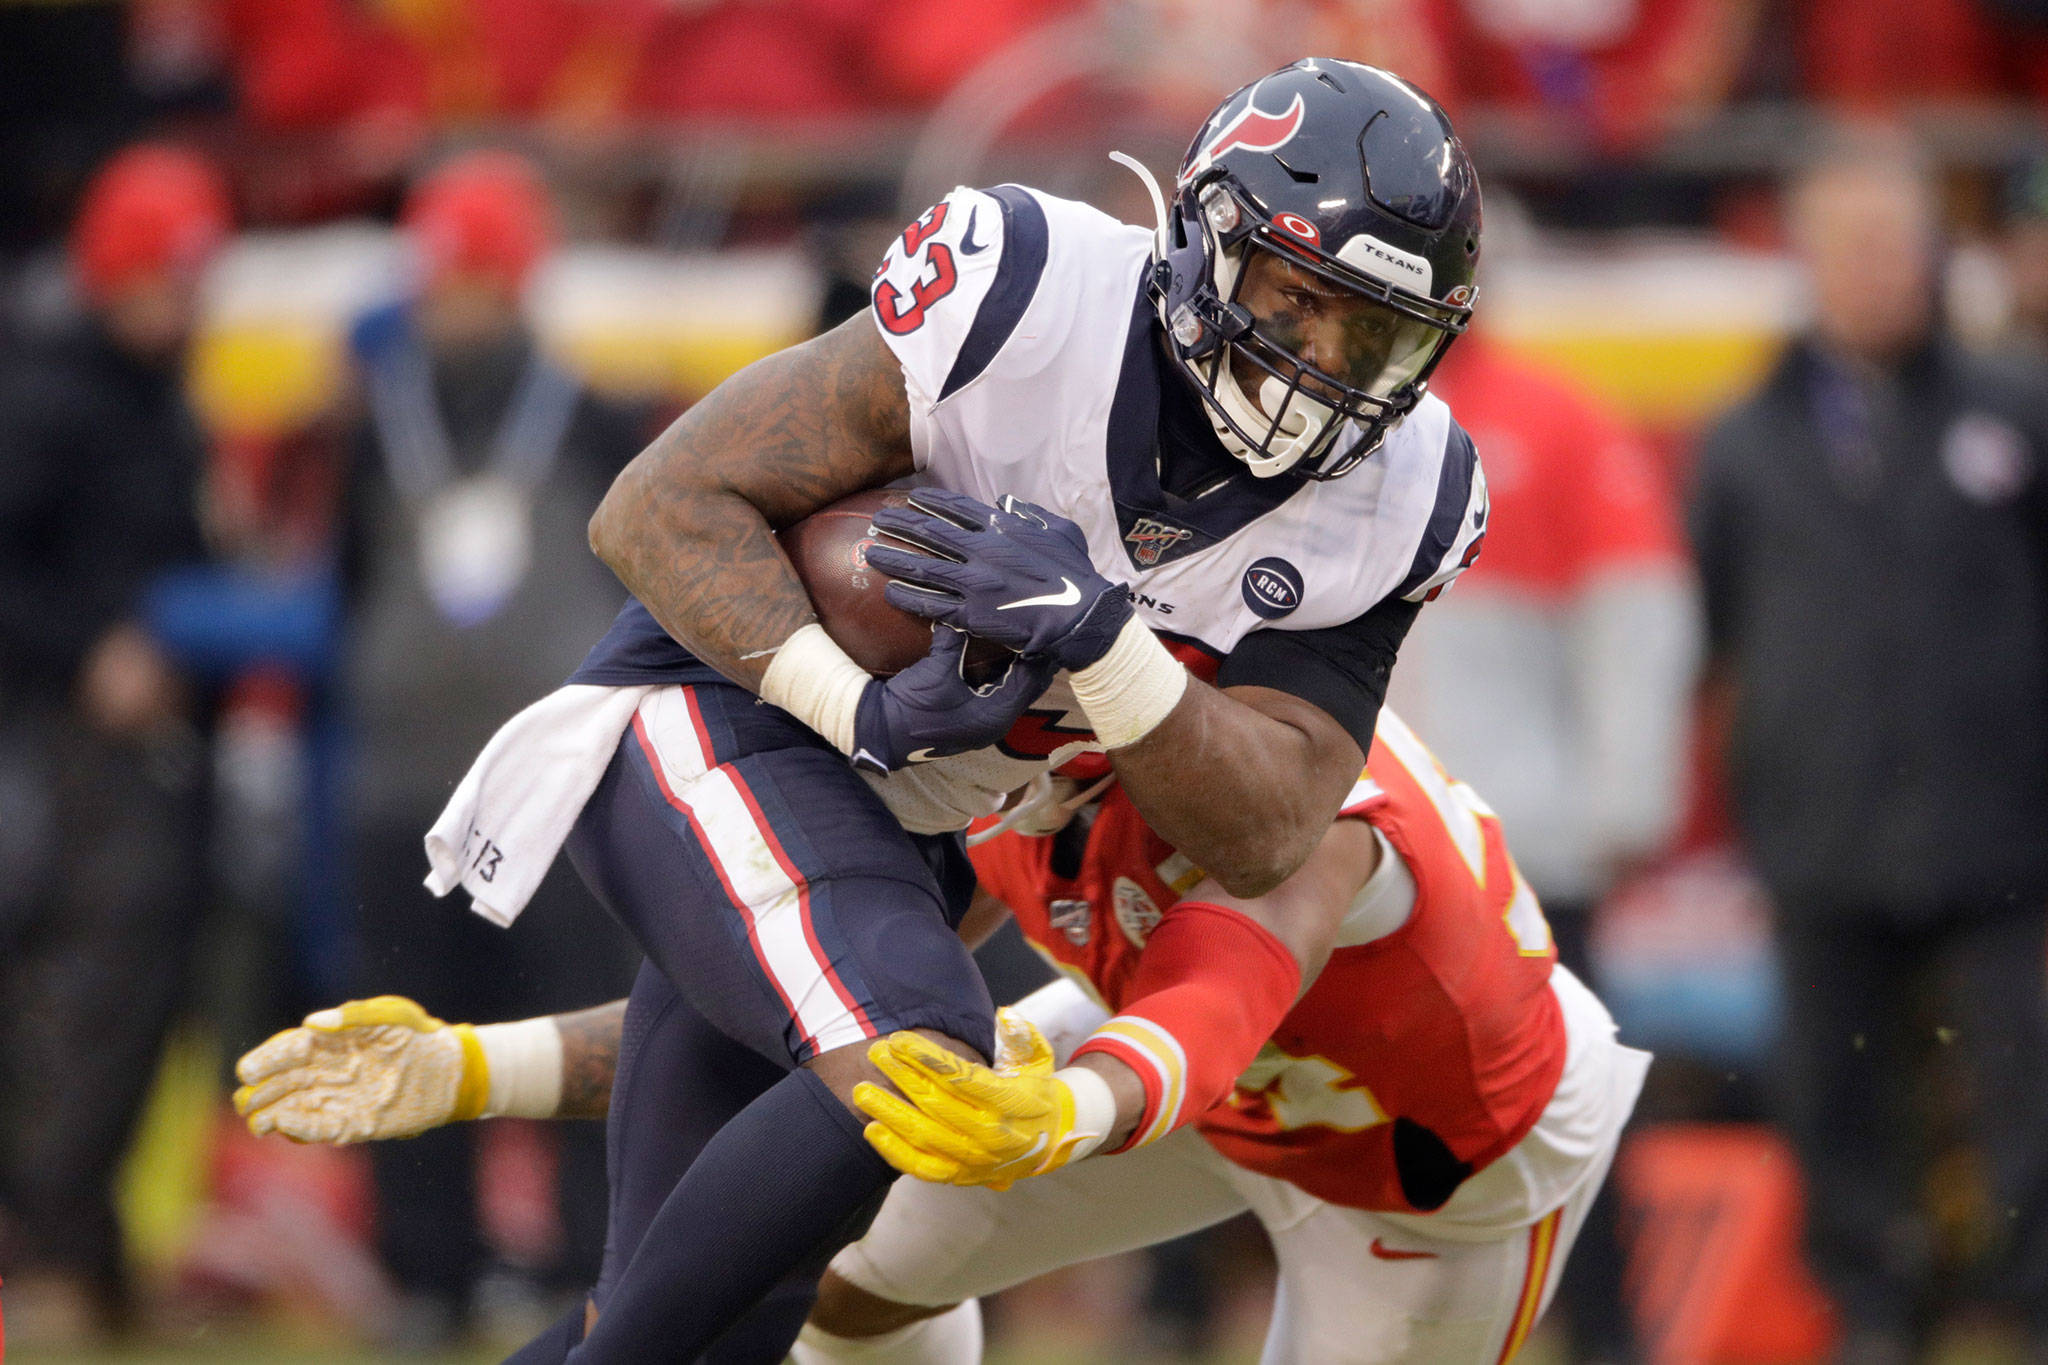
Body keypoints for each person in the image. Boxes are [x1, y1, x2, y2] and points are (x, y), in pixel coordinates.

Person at [422, 59, 1489, 1360]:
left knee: (735, 1318)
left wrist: (1102, 637)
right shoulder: (1033, 290)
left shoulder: (1407, 496)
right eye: (1299, 299)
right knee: (916, 1057)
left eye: (1371, 335)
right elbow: (655, 505)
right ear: (1211, 242)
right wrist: (856, 705)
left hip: (907, 842)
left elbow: (1271, 827)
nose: (1325, 363)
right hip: (720, 720)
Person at [239, 709, 1648, 1363]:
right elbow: (817, 1017)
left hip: (1435, 1166)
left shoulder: (1300, 809)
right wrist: (476, 1065)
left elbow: (1217, 1009)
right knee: (847, 1284)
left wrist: (1068, 1113)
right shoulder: (1021, 775)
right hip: (1161, 1057)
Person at [1689, 134, 2048, 1363]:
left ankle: (2012, 1305)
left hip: (1997, 834)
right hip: (1819, 835)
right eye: (1844, 246)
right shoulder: (1742, 442)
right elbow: (1720, 630)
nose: (1871, 272)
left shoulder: (2013, 410)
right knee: (1835, 1090)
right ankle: (1872, 1306)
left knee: (2017, 1086)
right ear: (1801, 259)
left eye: (1892, 244)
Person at [338, 150, 643, 1346]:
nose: (450, 307)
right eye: (439, 284)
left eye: (471, 281)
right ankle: (425, 1273)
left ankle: (589, 1265)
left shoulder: (595, 413)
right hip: (400, 784)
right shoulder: (370, 417)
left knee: (578, 1028)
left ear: (515, 286)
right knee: (410, 1019)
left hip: (561, 791)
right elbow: (346, 582)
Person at [1392, 332, 1701, 1364]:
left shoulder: (1551, 415)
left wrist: (1622, 804)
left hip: (1514, 839)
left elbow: (1635, 611)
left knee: (1566, 1094)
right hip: (1355, 836)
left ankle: (1606, 1331)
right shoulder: (1311, 408)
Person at [0, 143, 227, 1336]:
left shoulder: (158, 393)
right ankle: (44, 1254)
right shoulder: (46, 393)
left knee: (140, 999)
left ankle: (91, 1258)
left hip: (154, 749)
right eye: (175, 275)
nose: (192, 301)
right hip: (60, 747)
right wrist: (89, 647)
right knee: (74, 992)